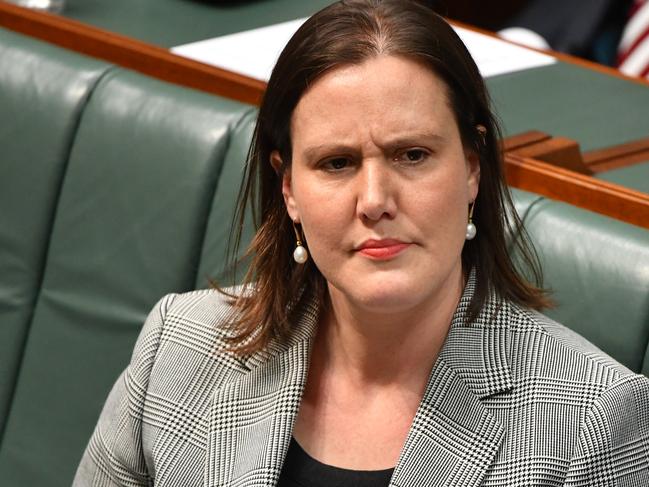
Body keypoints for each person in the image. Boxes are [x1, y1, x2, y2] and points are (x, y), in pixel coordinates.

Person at [74, 1, 649, 485]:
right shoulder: (178, 348)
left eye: (412, 155)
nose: (374, 199)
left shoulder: (591, 425)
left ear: (472, 170)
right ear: (289, 188)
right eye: (337, 163)